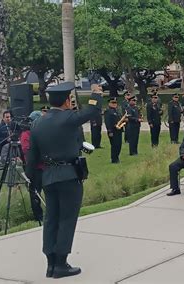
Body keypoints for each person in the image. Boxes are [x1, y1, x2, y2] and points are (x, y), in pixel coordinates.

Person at [26, 82, 103, 279]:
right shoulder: (68, 118)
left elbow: (32, 158)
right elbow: (93, 110)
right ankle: (61, 264)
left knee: (50, 219)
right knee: (67, 220)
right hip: (69, 176)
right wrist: (96, 93)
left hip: (48, 177)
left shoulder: (37, 123)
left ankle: (50, 264)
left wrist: (33, 182)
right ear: (67, 100)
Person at [20, 111, 43, 223]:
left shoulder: (40, 132)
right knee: (35, 193)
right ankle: (38, 216)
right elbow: (29, 154)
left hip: (46, 167)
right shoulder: (26, 134)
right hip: (34, 169)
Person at [104, 98, 123, 163]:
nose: (114, 104)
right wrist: (110, 131)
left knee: (119, 145)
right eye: (113, 103)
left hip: (118, 130)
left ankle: (117, 157)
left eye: (115, 103)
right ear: (109, 103)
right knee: (115, 145)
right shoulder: (108, 111)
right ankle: (114, 159)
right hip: (113, 131)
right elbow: (107, 122)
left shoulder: (117, 111)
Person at [89, 84, 103, 149]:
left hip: (99, 115)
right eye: (98, 87)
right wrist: (93, 119)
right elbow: (92, 108)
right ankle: (94, 144)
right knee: (94, 131)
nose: (99, 88)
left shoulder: (99, 96)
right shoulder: (93, 96)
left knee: (98, 130)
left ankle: (98, 144)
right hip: (94, 116)